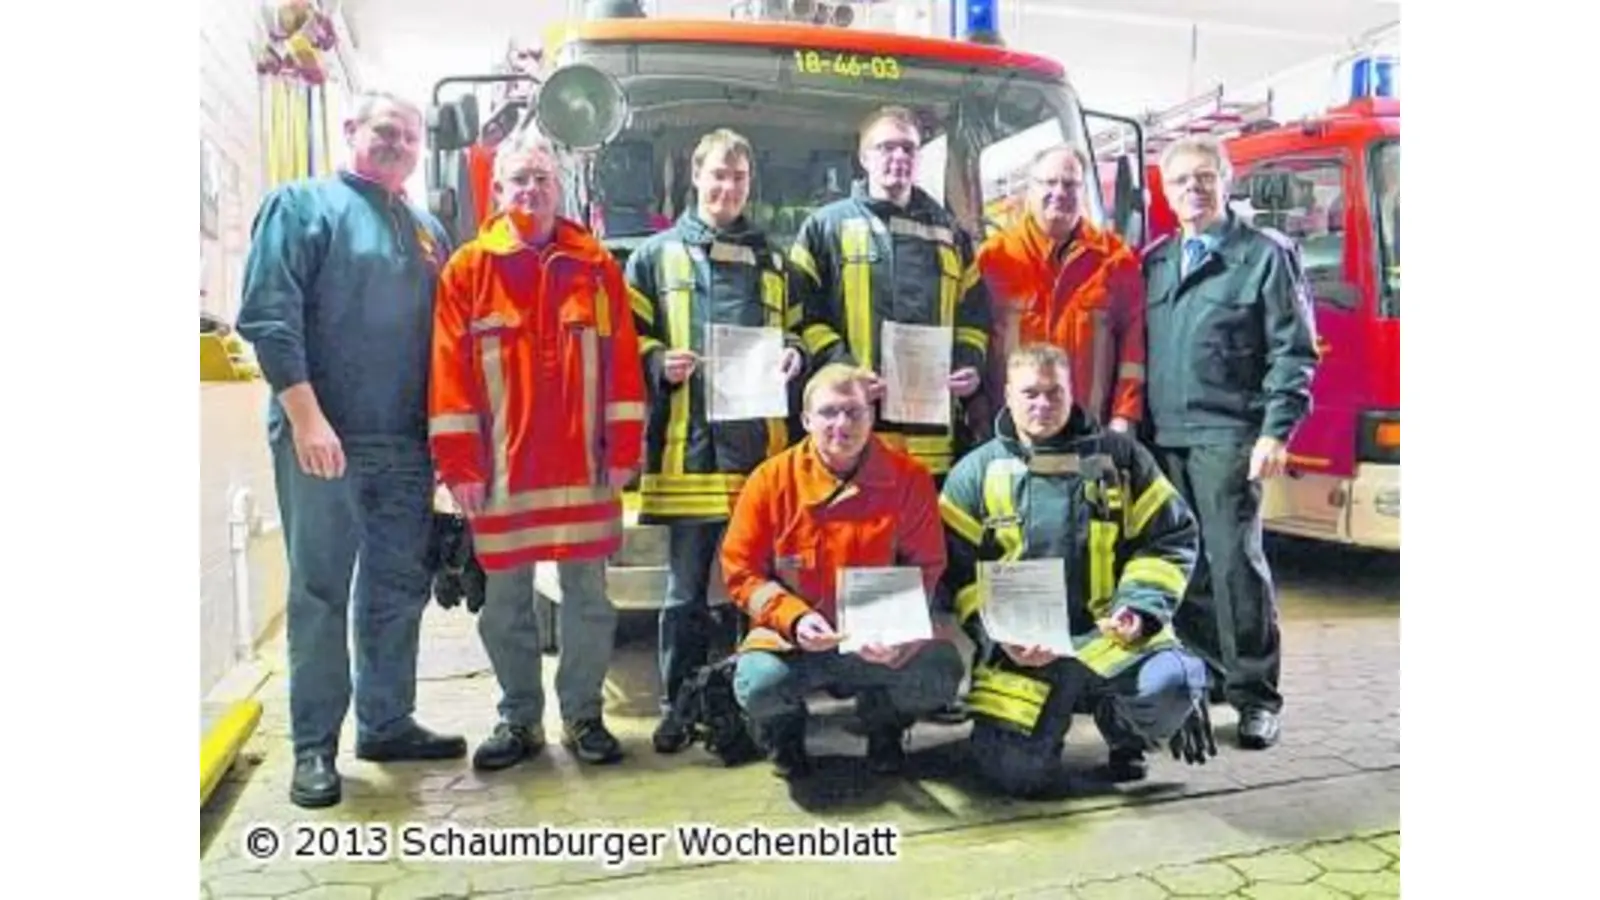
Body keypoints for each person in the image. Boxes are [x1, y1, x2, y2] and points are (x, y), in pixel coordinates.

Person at [236, 90, 467, 810]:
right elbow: (269, 317)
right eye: (385, 131)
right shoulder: (300, 205)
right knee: (319, 591)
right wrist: (306, 417)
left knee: (399, 589)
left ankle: (387, 722)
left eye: (408, 137)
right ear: (350, 131)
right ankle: (314, 749)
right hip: (323, 438)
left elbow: (448, 340)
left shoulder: (427, 228)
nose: (398, 144)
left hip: (405, 444)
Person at [428, 128, 647, 771]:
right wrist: (459, 467)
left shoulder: (597, 267)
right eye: (518, 179)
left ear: (560, 189)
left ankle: (583, 717)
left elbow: (622, 368)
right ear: (498, 191)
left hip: (584, 470)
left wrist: (625, 445)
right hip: (501, 472)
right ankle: (518, 719)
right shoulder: (468, 270)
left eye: (541, 179)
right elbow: (449, 376)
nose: (531, 189)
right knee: (504, 605)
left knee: (588, 601)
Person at [939, 344, 1216, 797]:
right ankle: (1029, 729)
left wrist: (1139, 609)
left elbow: (1170, 538)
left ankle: (1125, 727)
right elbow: (959, 577)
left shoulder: (1123, 459)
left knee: (1172, 684)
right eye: (1030, 393)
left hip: (1108, 639)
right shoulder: (974, 473)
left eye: (1055, 393)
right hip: (1023, 650)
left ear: (1074, 393)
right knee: (1014, 776)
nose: (1043, 405)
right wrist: (996, 635)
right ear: (1007, 394)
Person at [623, 128, 805, 753]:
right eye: (718, 176)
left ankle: (744, 703)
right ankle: (677, 706)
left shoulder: (774, 261)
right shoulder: (653, 257)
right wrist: (656, 360)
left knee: (752, 590)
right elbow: (629, 336)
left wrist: (794, 355)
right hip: (687, 449)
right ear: (696, 178)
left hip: (760, 453)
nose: (728, 189)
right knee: (683, 595)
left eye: (740, 179)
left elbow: (802, 330)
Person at [1142, 135, 1320, 749]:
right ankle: (1207, 675)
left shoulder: (1265, 256)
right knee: (1184, 567)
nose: (1193, 187)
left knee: (1235, 565)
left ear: (1225, 181)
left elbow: (1294, 351)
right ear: (1166, 193)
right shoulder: (1158, 260)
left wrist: (1276, 430)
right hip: (1166, 437)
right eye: (1181, 180)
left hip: (1229, 434)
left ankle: (1256, 696)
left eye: (1204, 177)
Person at [721, 364, 965, 778]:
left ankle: (884, 724)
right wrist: (793, 619)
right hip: (793, 641)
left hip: (877, 642)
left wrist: (899, 629)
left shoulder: (910, 479)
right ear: (806, 420)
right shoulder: (769, 482)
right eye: (829, 412)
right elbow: (741, 571)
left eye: (854, 412)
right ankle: (783, 732)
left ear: (872, 416)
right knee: (759, 684)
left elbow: (926, 564)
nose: (842, 424)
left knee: (940, 671)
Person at [788, 105, 991, 480]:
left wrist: (969, 365)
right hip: (851, 432)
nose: (899, 157)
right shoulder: (824, 228)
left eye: (909, 149)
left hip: (933, 441)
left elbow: (974, 315)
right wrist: (845, 369)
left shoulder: (951, 234)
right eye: (886, 147)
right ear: (864, 157)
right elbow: (800, 313)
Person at [974, 145, 1146, 441]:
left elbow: (1133, 346)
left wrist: (1124, 415)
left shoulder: (1116, 259)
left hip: (1090, 431)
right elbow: (974, 340)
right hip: (1013, 435)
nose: (1060, 191)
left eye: (1070, 184)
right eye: (1049, 182)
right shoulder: (994, 258)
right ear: (1030, 189)